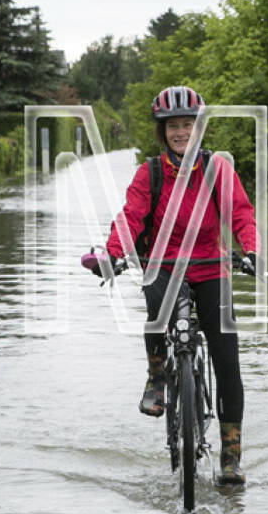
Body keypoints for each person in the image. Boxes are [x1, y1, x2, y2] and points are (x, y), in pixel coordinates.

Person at [96, 85, 259, 485]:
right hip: (163, 264)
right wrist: (111, 254)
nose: (181, 132)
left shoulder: (217, 169)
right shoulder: (149, 173)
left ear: (198, 128)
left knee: (227, 360)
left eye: (188, 124)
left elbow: (240, 214)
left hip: (210, 265)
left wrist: (251, 251)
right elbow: (130, 218)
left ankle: (231, 456)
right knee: (157, 304)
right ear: (162, 131)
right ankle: (158, 377)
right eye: (173, 126)